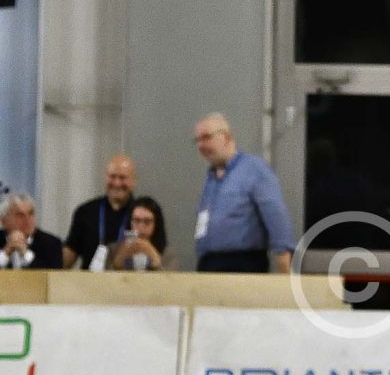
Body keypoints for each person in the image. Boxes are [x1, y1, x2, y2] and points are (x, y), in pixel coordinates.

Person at [194, 113, 294, 273]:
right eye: (197, 140)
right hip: (209, 262)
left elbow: (275, 214)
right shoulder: (211, 177)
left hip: (243, 263)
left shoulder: (254, 169)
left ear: (225, 137)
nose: (200, 145)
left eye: (206, 138)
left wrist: (283, 257)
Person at [62, 153, 137, 270]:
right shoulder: (85, 212)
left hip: (129, 280)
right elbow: (67, 258)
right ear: (105, 178)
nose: (117, 183)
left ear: (133, 181)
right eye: (112, 177)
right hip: (89, 280)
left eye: (123, 178)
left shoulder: (143, 216)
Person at [1, 193, 64, 270]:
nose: (27, 220)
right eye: (20, 215)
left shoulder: (51, 244)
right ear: (3, 220)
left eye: (31, 214)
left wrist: (26, 254)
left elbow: (53, 275)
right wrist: (6, 252)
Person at [110, 197, 174, 271]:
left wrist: (155, 259)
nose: (141, 227)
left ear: (156, 225)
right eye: (136, 221)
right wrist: (118, 261)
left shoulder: (168, 254)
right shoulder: (113, 250)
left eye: (147, 221)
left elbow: (170, 277)